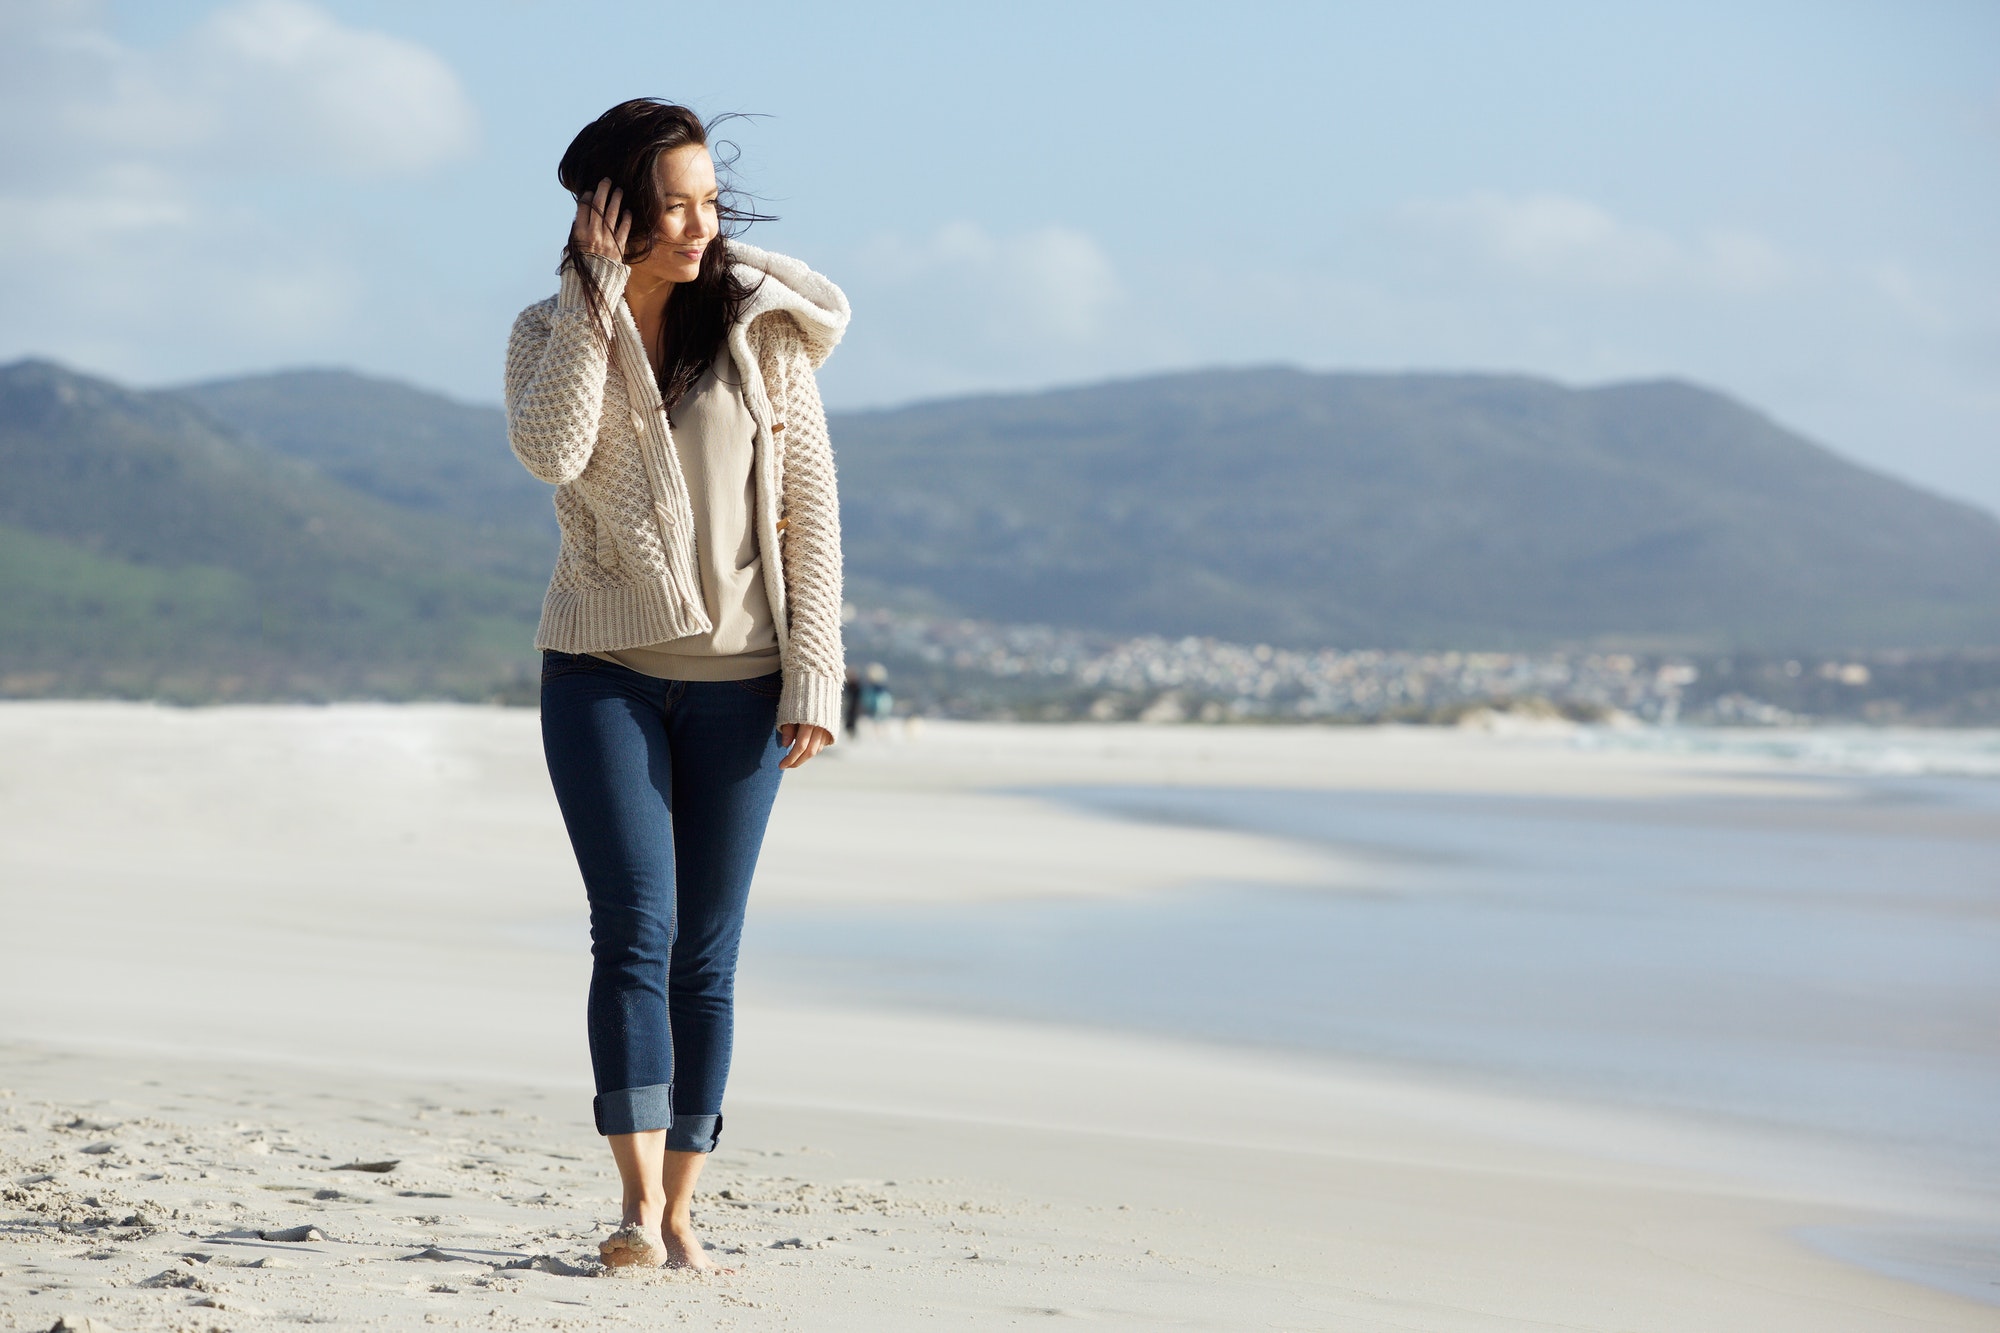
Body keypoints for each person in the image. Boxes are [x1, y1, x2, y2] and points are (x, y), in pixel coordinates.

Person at [503, 99, 848, 1270]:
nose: (701, 223)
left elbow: (809, 513)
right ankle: (634, 1207)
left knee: (706, 945)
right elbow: (549, 451)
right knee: (633, 926)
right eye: (675, 204)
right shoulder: (546, 330)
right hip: (599, 668)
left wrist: (816, 670)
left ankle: (687, 1206)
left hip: (745, 685)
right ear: (609, 210)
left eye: (711, 200)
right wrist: (596, 300)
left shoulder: (763, 331)